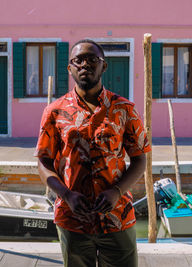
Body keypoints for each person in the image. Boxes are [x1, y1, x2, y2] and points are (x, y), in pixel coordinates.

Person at [35, 39, 151, 267]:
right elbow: (44, 162)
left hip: (118, 216)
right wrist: (66, 195)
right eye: (78, 60)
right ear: (70, 68)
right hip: (72, 219)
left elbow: (139, 159)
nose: (85, 65)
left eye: (92, 59)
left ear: (103, 66)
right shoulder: (54, 111)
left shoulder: (124, 109)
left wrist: (117, 192)